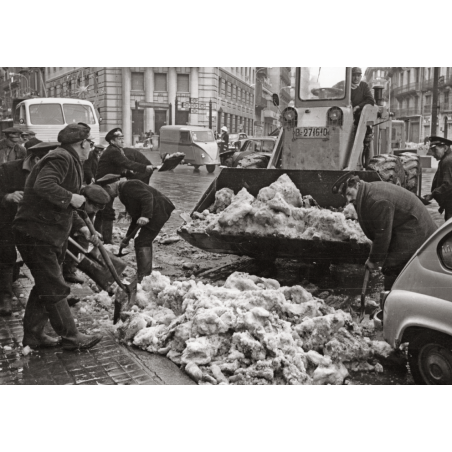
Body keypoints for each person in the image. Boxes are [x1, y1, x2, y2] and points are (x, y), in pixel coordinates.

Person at [13, 123, 103, 350]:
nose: (90, 148)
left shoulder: (69, 159)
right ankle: (72, 338)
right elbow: (45, 186)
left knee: (45, 283)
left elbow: (57, 203)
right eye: (90, 143)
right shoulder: (62, 158)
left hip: (48, 232)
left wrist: (82, 227)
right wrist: (72, 197)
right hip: (37, 233)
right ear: (82, 143)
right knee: (54, 285)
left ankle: (34, 336)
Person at [336, 173, 437, 290]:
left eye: (349, 193)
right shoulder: (367, 191)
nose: (348, 200)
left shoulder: (376, 200)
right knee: (399, 266)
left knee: (392, 267)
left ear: (357, 185)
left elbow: (383, 235)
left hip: (416, 228)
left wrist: (373, 260)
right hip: (406, 224)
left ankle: (392, 300)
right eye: (345, 196)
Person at [0, 141, 57, 316]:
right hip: (6, 221)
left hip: (33, 224)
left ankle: (53, 296)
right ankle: (5, 298)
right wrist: (8, 196)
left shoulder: (46, 173)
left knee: (41, 260)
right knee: (6, 257)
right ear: (36, 158)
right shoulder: (7, 169)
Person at [97, 174, 175, 282]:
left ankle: (144, 275)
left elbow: (147, 196)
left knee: (143, 241)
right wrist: (128, 237)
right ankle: (144, 273)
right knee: (142, 240)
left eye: (106, 193)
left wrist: (145, 216)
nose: (108, 196)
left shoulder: (129, 185)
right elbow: (135, 216)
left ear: (109, 187)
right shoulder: (123, 192)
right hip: (155, 210)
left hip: (160, 209)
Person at [94, 128, 154, 243]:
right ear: (112, 141)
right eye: (119, 138)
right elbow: (127, 163)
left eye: (122, 138)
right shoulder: (113, 151)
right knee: (107, 212)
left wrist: (127, 173)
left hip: (108, 184)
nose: (122, 140)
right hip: (106, 185)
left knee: (103, 211)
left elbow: (116, 168)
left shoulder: (116, 150)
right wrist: (144, 167)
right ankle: (106, 240)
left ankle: (100, 237)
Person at [423, 136, 452, 221]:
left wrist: (433, 194)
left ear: (445, 148)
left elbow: (448, 184)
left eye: (435, 150)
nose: (434, 154)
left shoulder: (448, 161)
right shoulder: (447, 159)